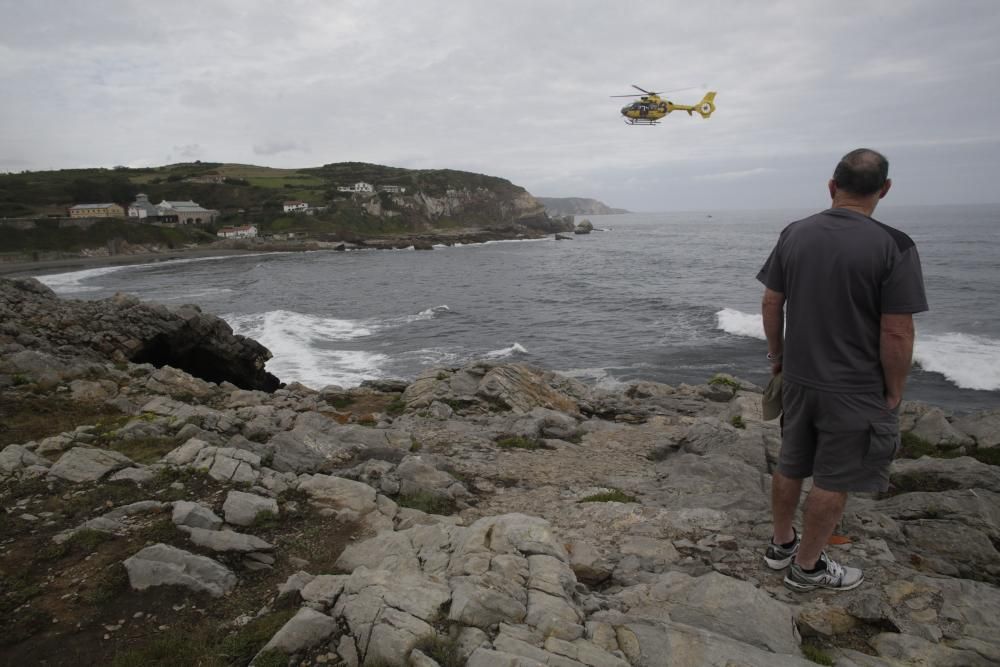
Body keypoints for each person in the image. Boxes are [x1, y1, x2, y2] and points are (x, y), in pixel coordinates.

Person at [757, 148, 928, 592]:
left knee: (791, 464)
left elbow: (772, 301)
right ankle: (808, 568)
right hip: (854, 387)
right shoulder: (895, 245)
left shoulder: (794, 233)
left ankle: (781, 546)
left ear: (832, 186)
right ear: (884, 190)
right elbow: (896, 334)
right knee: (833, 479)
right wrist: (894, 390)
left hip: (796, 377)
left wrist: (778, 357)